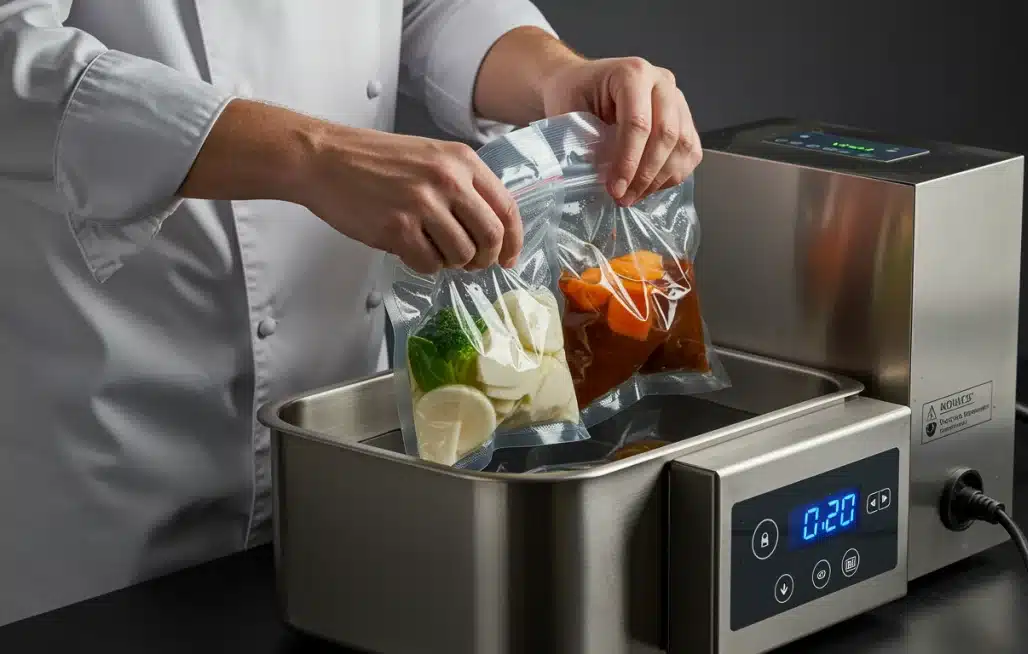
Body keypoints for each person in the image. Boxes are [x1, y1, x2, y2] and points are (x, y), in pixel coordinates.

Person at [0, 0, 703, 626]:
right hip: (111, 432)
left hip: (336, 434)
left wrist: (555, 76)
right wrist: (313, 156)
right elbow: (12, 51)